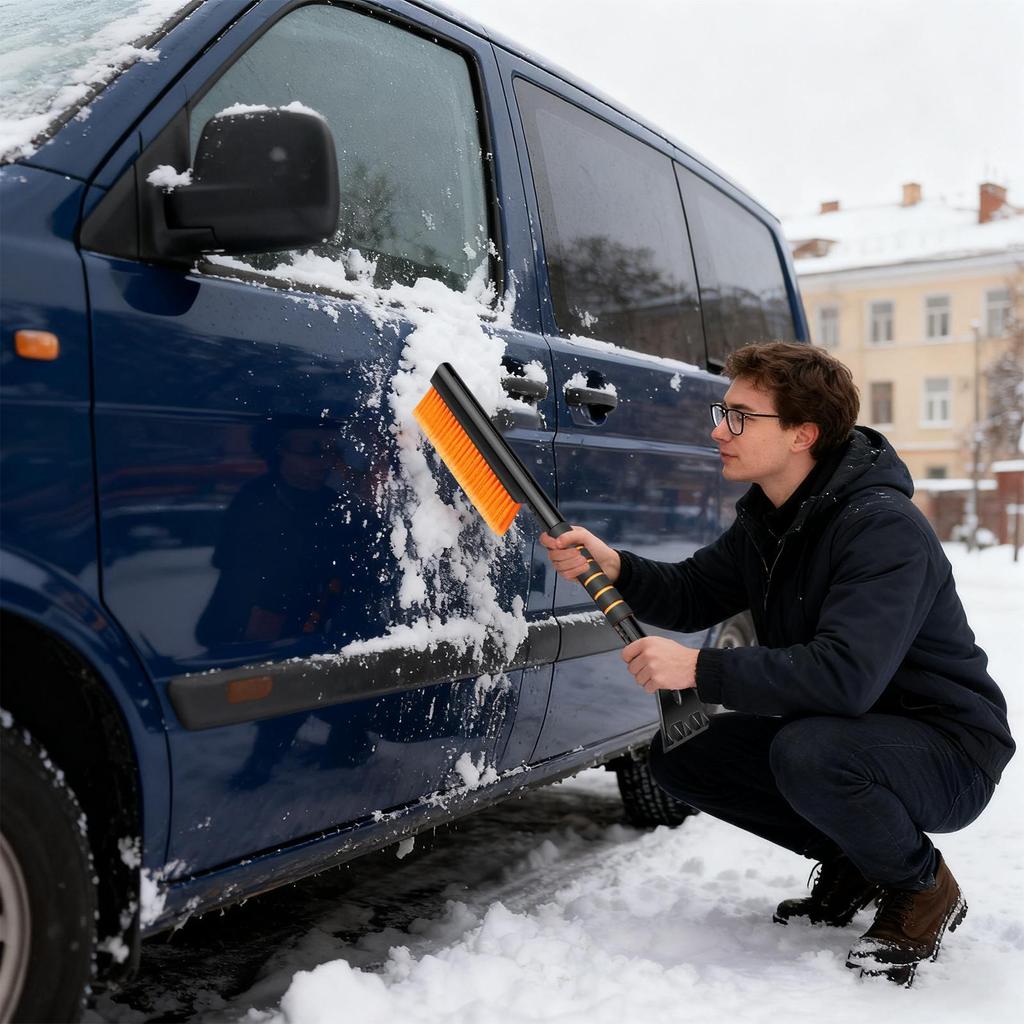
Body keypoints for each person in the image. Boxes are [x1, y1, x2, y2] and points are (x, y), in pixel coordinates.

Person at [540, 341, 1014, 986]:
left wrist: (700, 670)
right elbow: (692, 592)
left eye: (740, 417)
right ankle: (858, 861)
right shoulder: (774, 519)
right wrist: (616, 565)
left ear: (802, 434)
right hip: (853, 734)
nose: (719, 430)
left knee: (809, 752)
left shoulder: (882, 528)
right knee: (685, 751)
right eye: (723, 412)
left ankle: (922, 886)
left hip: (948, 751)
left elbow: (844, 678)